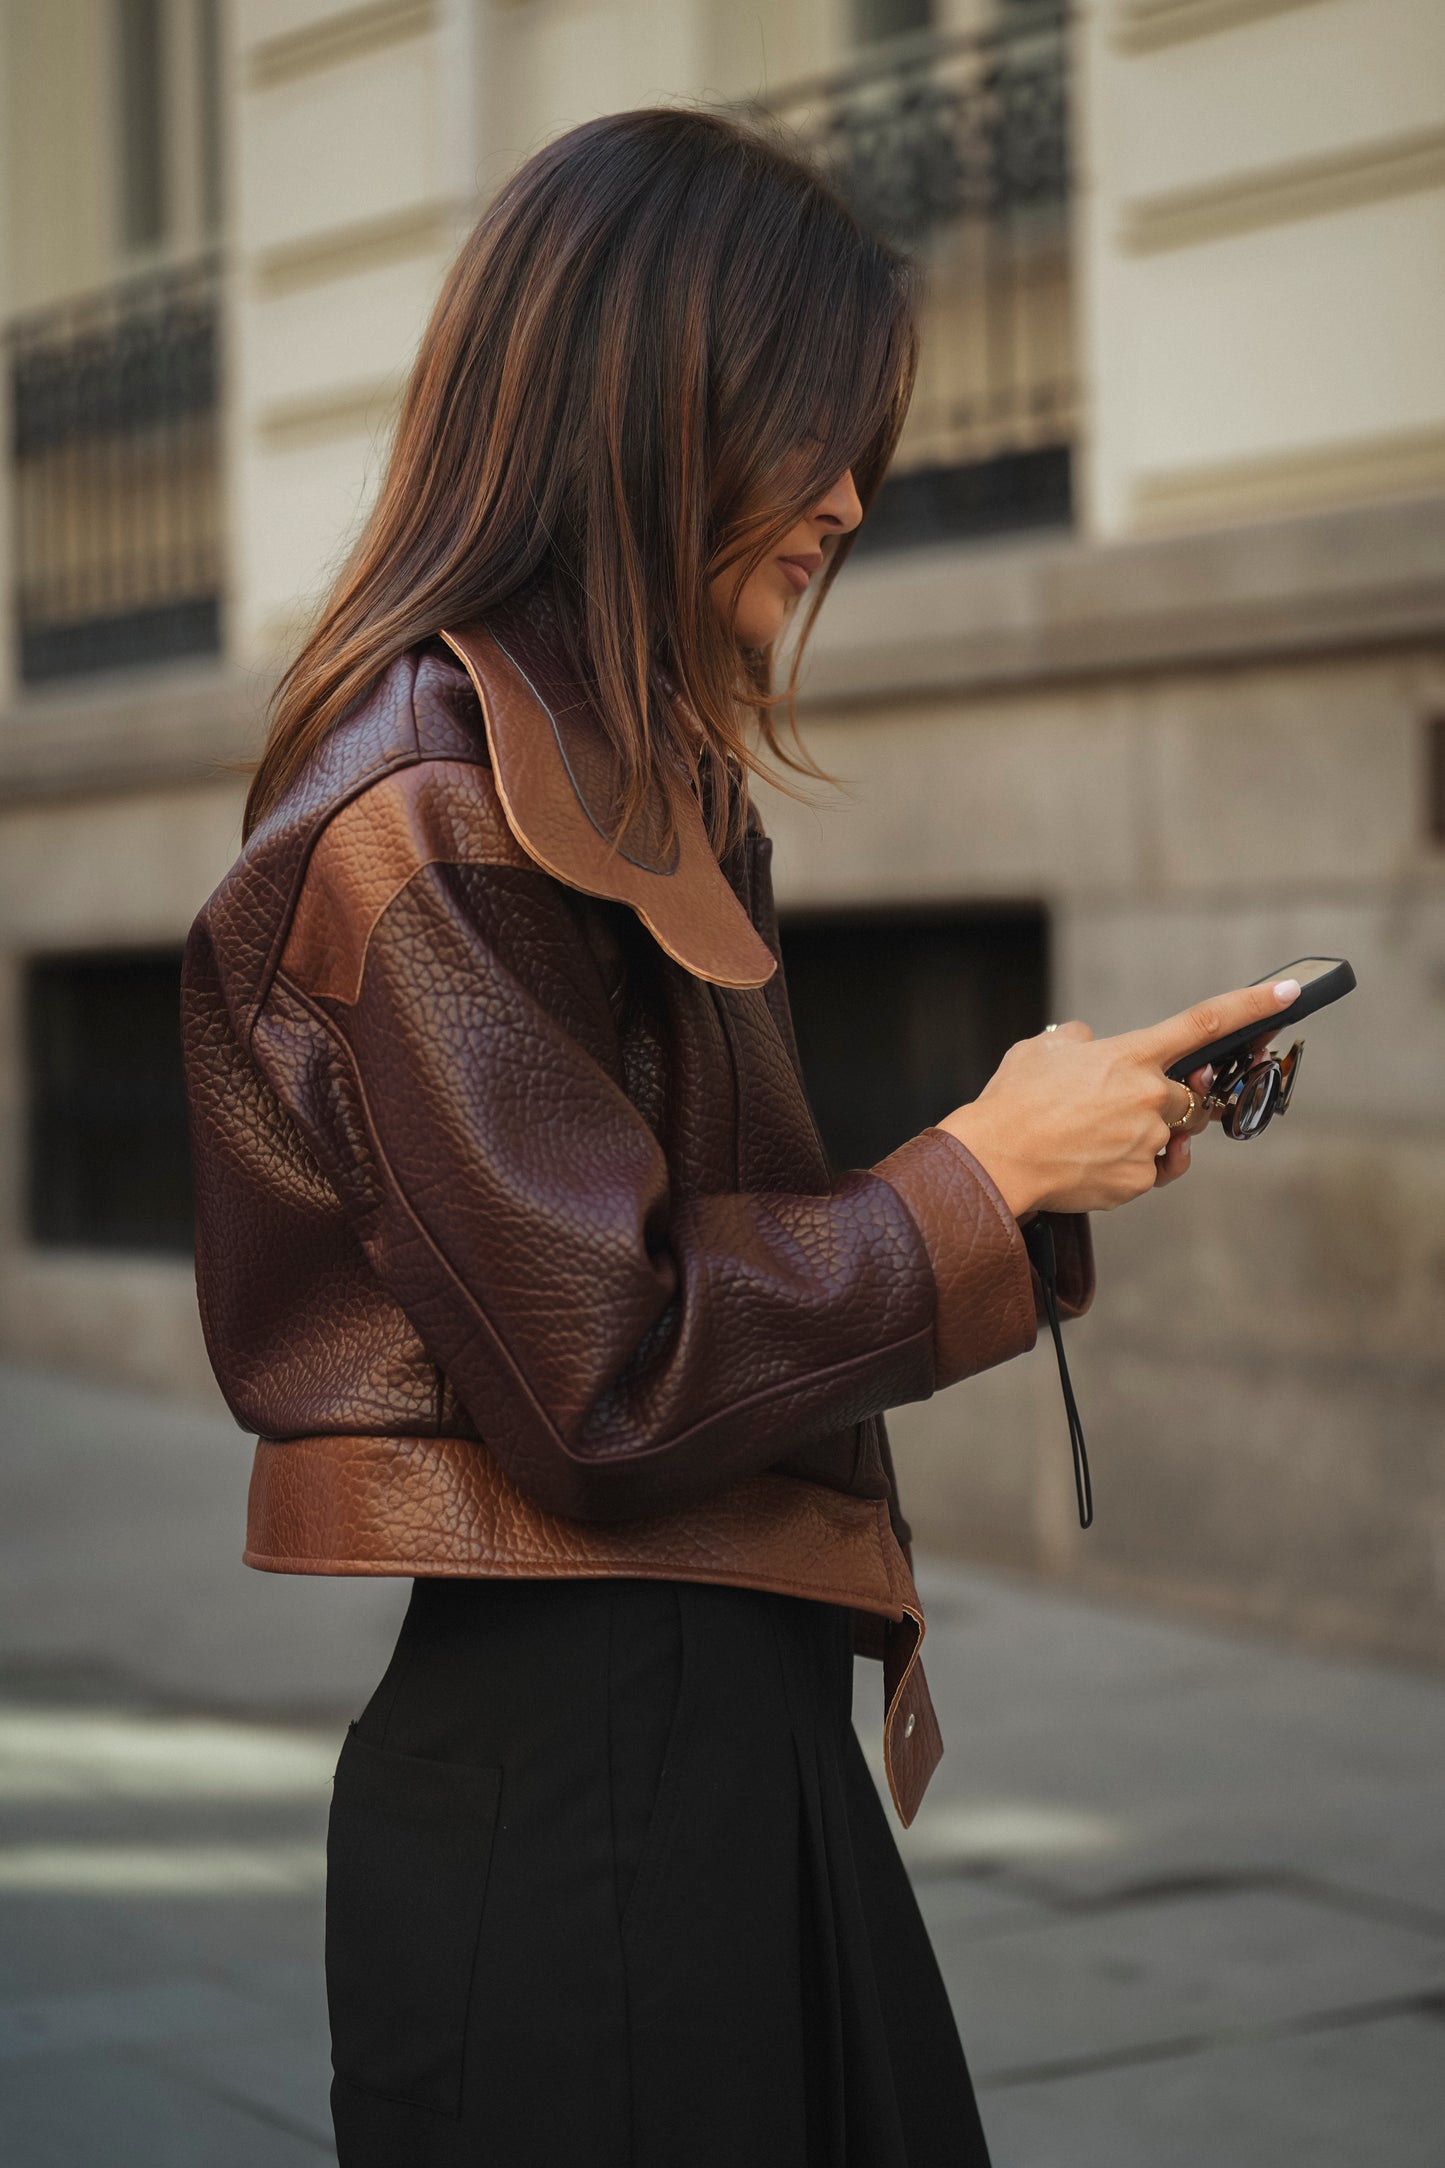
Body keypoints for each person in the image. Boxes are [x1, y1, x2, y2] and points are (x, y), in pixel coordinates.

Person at [180, 107, 1299, 2168]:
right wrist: (974, 1176)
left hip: (712, 1739)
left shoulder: (610, 777)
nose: (854, 498)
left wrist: (1029, 1168)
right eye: (814, 431)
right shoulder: (425, 817)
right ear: (647, 398)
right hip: (589, 1799)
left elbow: (685, 1240)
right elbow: (597, 1373)